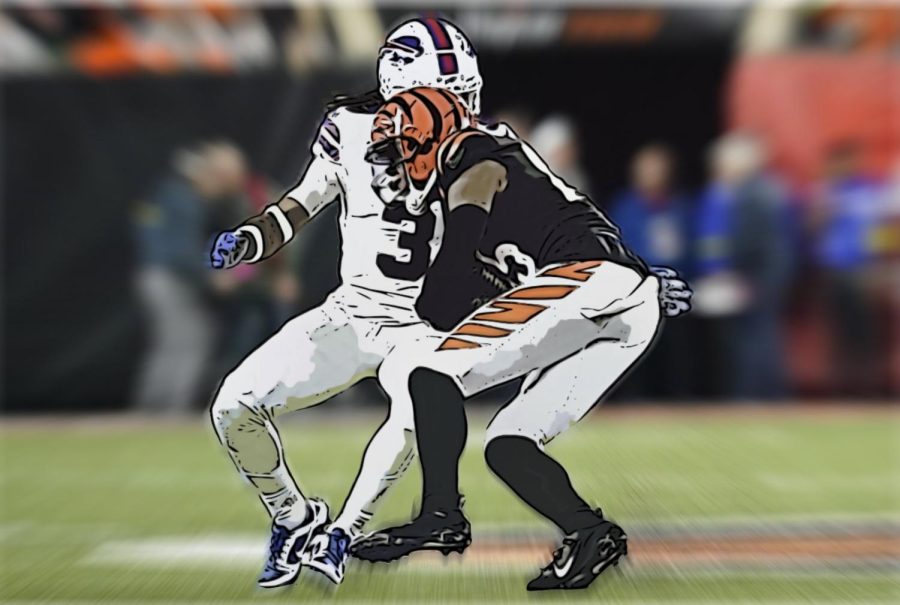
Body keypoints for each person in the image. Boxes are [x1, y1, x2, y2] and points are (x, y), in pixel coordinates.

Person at [350, 88, 691, 591]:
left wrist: (455, 279)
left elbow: (449, 282)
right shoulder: (463, 178)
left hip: (588, 280)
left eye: (399, 153)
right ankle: (590, 532)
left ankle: (441, 516)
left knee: (431, 373)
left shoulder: (472, 156)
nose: (392, 169)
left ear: (427, 139)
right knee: (508, 443)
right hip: (617, 303)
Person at [207, 18, 486, 587]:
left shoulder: (483, 150)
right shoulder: (349, 130)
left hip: (426, 324)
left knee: (419, 412)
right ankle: (293, 518)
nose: (460, 109)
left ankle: (343, 532)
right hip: (354, 313)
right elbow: (302, 203)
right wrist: (254, 238)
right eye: (445, 97)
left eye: (461, 96)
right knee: (232, 406)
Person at [132, 142, 246, 413]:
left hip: (158, 276)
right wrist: (213, 277)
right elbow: (179, 251)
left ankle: (150, 409)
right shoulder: (182, 198)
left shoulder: (171, 193)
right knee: (190, 339)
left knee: (176, 340)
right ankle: (166, 411)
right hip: (166, 278)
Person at [693, 133, 791, 399]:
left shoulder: (751, 194)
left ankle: (755, 397)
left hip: (755, 274)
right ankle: (763, 395)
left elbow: (747, 241)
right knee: (760, 335)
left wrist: (729, 268)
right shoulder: (768, 189)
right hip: (767, 272)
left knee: (754, 338)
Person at [612, 144, 693, 399]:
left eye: (656, 169)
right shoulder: (625, 207)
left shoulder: (680, 205)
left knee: (678, 354)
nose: (651, 175)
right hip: (638, 292)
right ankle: (637, 405)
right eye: (645, 170)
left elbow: (691, 245)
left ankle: (680, 402)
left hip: (674, 288)